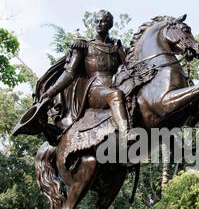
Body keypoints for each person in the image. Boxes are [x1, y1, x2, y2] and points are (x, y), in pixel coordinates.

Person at [40, 10, 134, 142]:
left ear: (110, 25)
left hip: (116, 83)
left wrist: (122, 51)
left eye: (103, 21)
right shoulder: (84, 45)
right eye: (97, 21)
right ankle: (126, 134)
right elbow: (69, 73)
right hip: (95, 88)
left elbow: (129, 69)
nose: (99, 24)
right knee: (115, 95)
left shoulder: (115, 47)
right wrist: (51, 91)